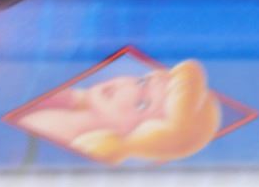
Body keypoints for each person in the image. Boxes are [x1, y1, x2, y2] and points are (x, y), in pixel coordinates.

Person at [17, 58, 223, 166]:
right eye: (142, 81)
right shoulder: (68, 98)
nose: (128, 87)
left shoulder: (71, 145)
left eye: (142, 104)